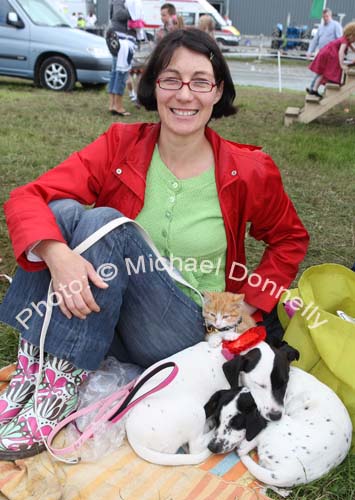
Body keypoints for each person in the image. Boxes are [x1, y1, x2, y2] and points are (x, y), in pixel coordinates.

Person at [0, 28, 309, 459]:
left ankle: (55, 394)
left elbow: (290, 239)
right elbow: (26, 197)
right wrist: (57, 255)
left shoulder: (248, 168)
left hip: (184, 330)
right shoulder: (120, 144)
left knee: (107, 221)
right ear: (153, 85)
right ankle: (35, 376)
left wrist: (252, 304)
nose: (185, 95)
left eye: (200, 81)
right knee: (62, 214)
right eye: (171, 79)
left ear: (218, 91)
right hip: (105, 316)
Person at [307, 22, 355, 97]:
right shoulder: (345, 41)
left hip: (327, 52)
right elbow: (341, 52)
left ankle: (314, 89)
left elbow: (353, 49)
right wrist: (341, 64)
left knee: (323, 73)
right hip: (329, 54)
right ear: (351, 35)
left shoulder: (346, 40)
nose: (354, 41)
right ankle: (317, 88)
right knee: (326, 72)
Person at [108, 0, 137, 116]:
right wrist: (135, 13)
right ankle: (118, 106)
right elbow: (118, 14)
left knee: (116, 73)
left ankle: (113, 104)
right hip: (123, 40)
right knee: (121, 73)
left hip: (120, 39)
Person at [306, 8, 342, 94]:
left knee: (323, 72)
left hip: (331, 54)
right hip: (322, 53)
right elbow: (315, 40)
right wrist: (310, 51)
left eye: (327, 16)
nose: (325, 18)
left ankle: (313, 88)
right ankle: (314, 89)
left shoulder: (336, 25)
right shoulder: (321, 27)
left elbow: (340, 39)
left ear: (330, 16)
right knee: (320, 71)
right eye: (324, 17)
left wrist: (341, 53)